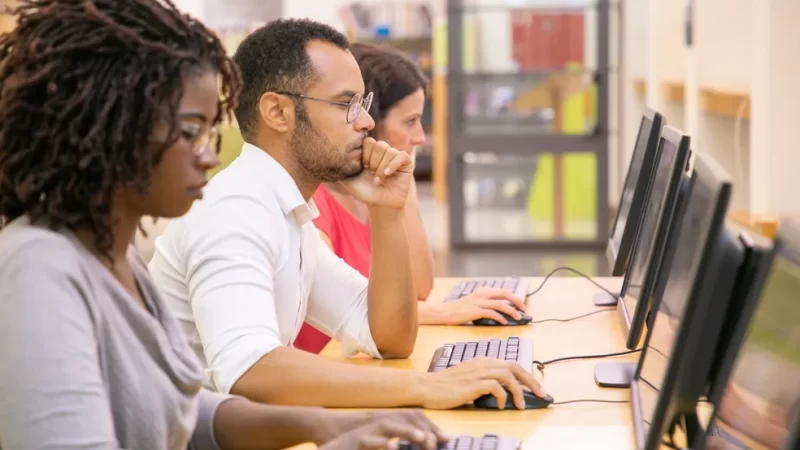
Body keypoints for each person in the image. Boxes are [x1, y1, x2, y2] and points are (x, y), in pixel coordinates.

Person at [0, 1, 448, 449]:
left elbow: (182, 410)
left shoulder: (114, 257)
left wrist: (321, 426)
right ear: (116, 129)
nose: (210, 155)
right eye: (191, 130)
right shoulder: (41, 268)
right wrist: (422, 389)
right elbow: (248, 370)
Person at [148, 18, 546, 409]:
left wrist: (386, 212)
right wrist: (425, 386)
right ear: (278, 112)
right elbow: (249, 371)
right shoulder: (236, 211)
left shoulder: (288, 213)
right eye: (346, 105)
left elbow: (388, 336)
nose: (367, 122)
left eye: (363, 104)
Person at [293, 42, 528, 354]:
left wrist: (405, 186)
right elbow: (352, 315)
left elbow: (420, 287)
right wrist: (446, 312)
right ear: (370, 123)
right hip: (332, 371)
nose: (420, 136)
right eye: (409, 121)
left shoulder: (368, 198)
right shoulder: (316, 206)